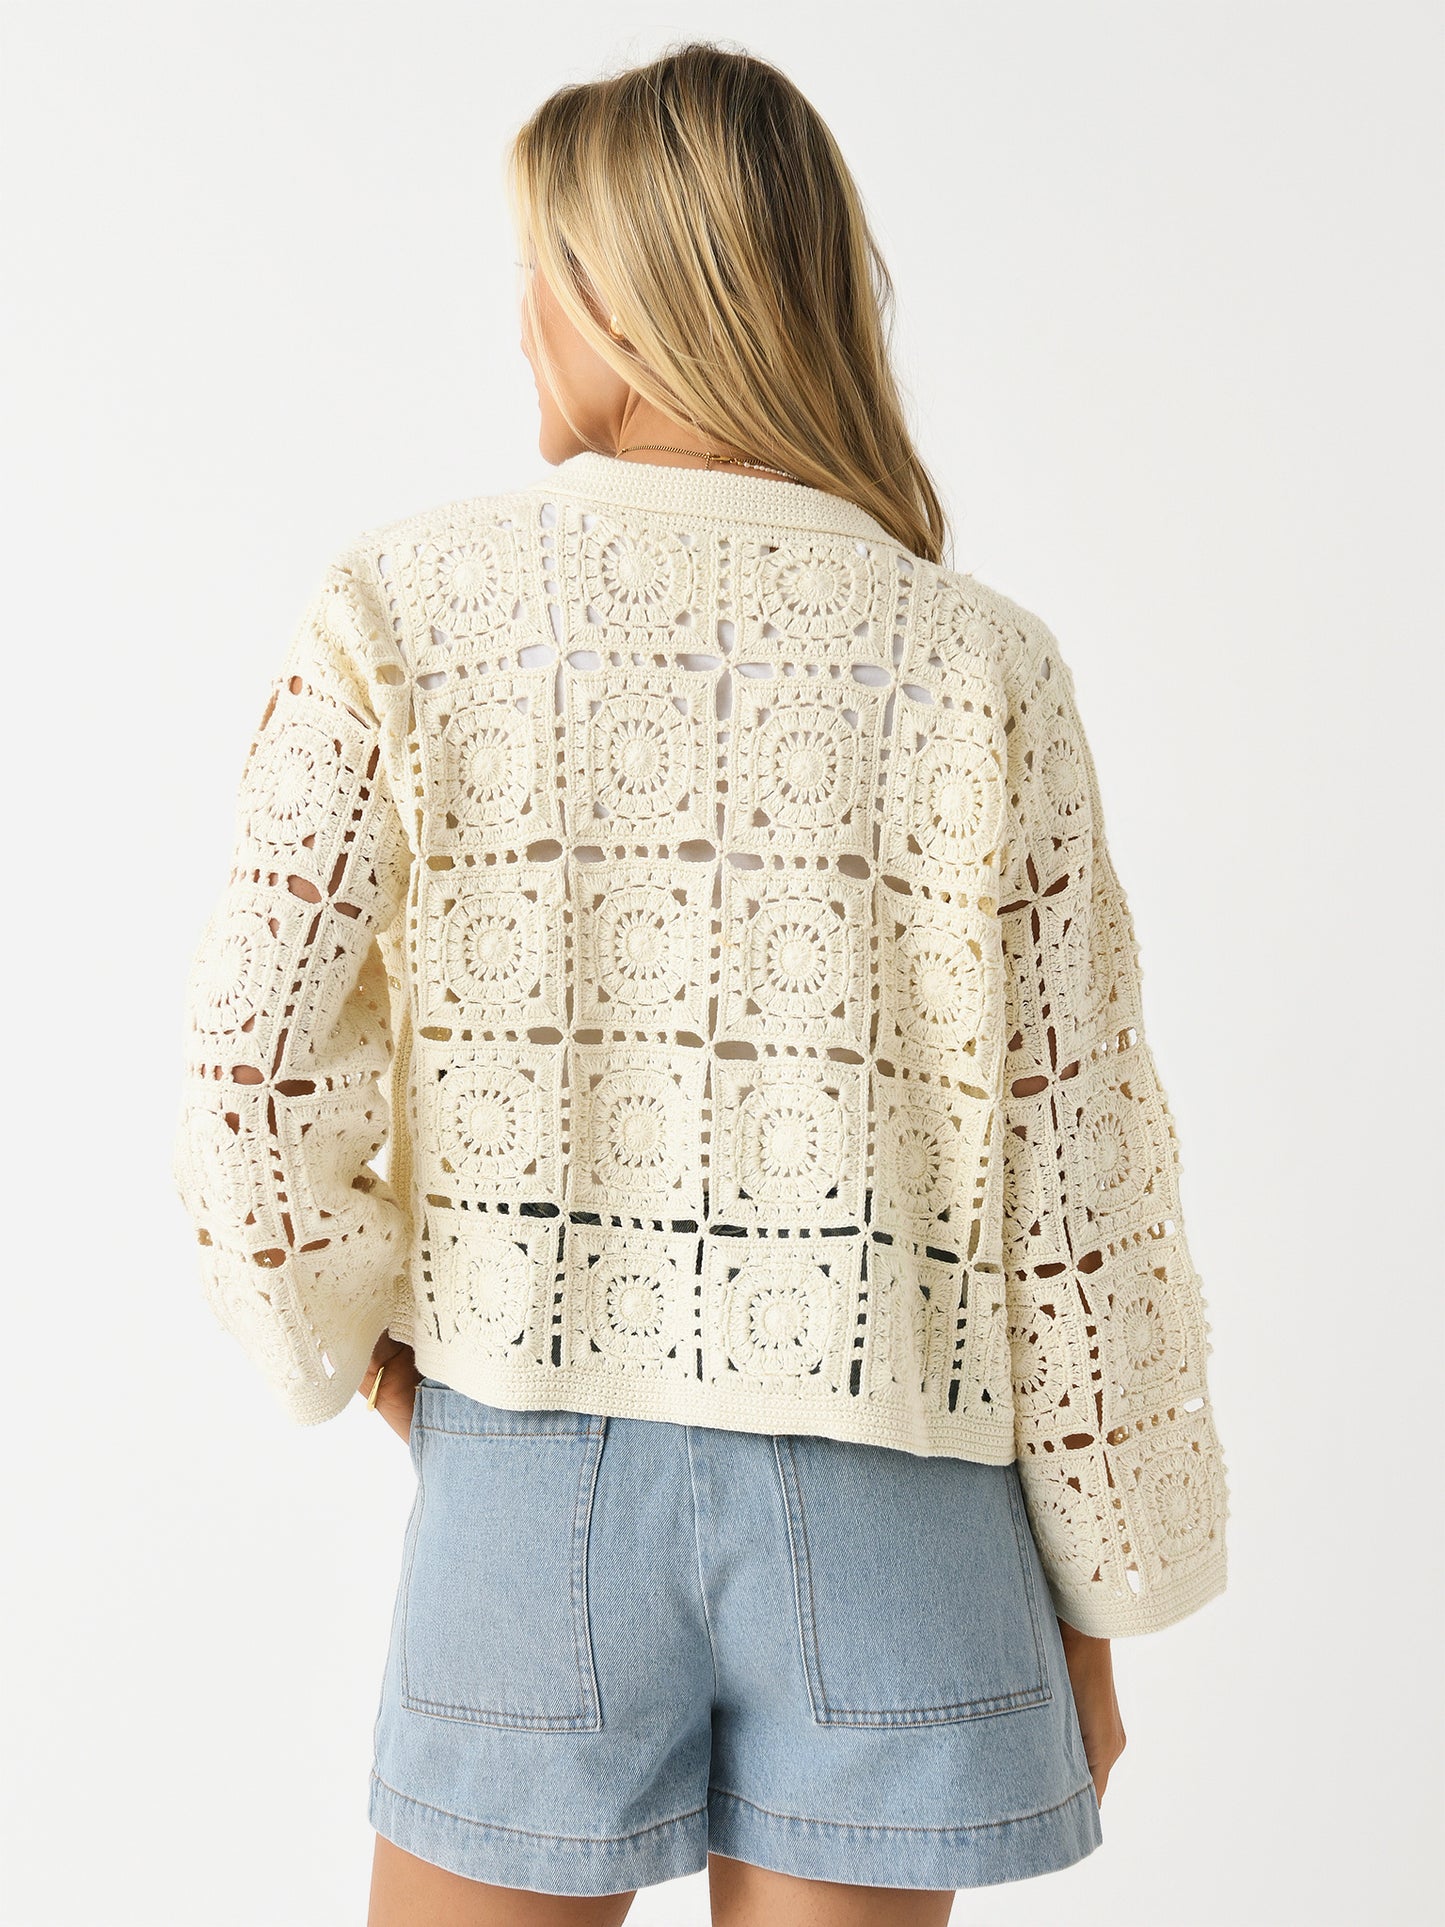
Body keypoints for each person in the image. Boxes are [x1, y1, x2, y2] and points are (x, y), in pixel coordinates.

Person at [172, 39, 1228, 1927]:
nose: (513, 318)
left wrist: (360, 1349)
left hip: (531, 1474)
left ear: (633, 302)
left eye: (536, 271)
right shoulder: (978, 663)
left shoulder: (402, 610)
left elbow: (251, 1075)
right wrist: (1096, 1594)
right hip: (906, 1497)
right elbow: (1077, 1176)